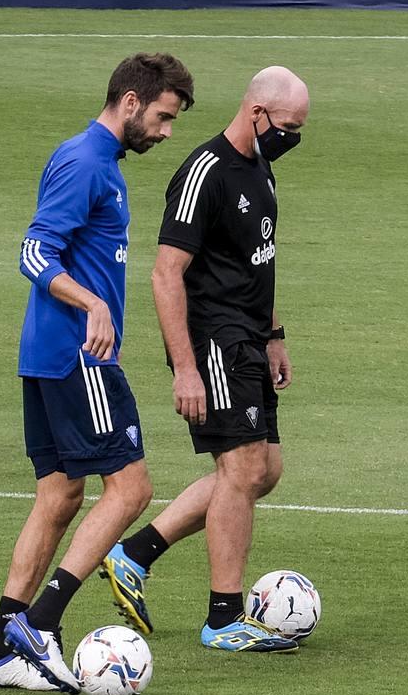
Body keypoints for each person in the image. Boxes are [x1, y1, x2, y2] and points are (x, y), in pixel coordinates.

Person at [0, 54, 194, 694]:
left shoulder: (96, 161)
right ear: (129, 101)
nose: (165, 131)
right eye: (161, 117)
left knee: (61, 495)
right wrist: (94, 304)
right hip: (78, 355)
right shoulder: (87, 161)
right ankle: (41, 625)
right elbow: (33, 250)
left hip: (48, 353)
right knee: (131, 488)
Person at [102, 67, 309, 653]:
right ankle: (224, 618)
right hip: (213, 342)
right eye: (287, 127)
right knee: (241, 472)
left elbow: (256, 263)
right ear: (256, 112)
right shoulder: (205, 172)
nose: (291, 138)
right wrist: (185, 366)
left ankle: (134, 555)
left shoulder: (261, 169)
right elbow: (166, 274)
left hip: (249, 338)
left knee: (263, 472)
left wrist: (274, 335)